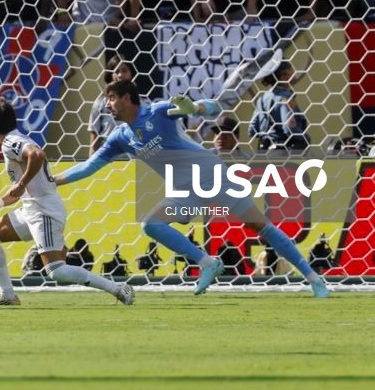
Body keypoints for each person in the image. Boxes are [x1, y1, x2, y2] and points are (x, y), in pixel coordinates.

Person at [53, 80, 331, 298]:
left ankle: (315, 280)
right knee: (152, 224)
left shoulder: (158, 111)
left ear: (127, 98)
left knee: (261, 226)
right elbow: (88, 166)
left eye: (111, 99)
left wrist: (194, 108)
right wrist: (54, 180)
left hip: (213, 176)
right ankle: (207, 262)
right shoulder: (120, 138)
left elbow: (213, 108)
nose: (108, 106)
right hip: (188, 192)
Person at [0, 97, 135, 307]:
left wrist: (22, 183)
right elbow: (25, 185)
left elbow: (37, 154)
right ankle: (7, 295)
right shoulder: (16, 139)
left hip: (43, 211)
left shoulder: (10, 142)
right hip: (31, 209)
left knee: (56, 270)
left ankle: (118, 289)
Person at [248, 60, 310, 152]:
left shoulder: (262, 99)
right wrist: (305, 137)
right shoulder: (285, 98)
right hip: (283, 153)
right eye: (291, 70)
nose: (294, 72)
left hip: (263, 152)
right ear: (284, 74)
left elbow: (252, 130)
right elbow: (289, 127)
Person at [88, 55, 135, 154]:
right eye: (116, 71)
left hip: (134, 161)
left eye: (124, 70)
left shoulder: (141, 101)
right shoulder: (101, 102)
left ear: (132, 73)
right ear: (111, 75)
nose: (120, 75)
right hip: (109, 162)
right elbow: (94, 141)